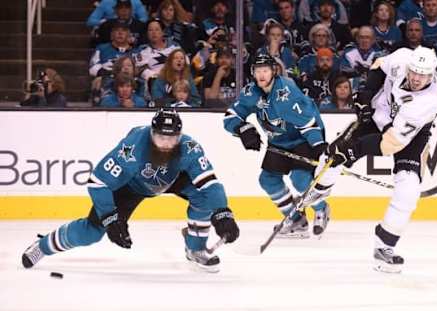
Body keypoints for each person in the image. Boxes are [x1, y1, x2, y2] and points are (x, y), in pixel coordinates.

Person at [21, 109, 240, 273]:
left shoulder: (189, 147)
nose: (165, 143)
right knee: (92, 233)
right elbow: (98, 182)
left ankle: (196, 248)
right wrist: (110, 218)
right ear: (152, 133)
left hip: (172, 177)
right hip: (131, 185)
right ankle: (42, 245)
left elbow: (211, 183)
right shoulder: (132, 148)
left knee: (203, 196)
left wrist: (223, 213)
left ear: (180, 136)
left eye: (171, 138)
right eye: (161, 137)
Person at [306, 46, 437, 273]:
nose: (417, 78)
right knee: (333, 152)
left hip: (409, 135)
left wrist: (353, 151)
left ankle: (384, 245)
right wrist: (366, 93)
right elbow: (379, 65)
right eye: (415, 71)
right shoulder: (402, 58)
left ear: (432, 74)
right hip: (378, 113)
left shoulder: (428, 101)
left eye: (424, 74)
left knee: (408, 189)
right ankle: (321, 187)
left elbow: (390, 144)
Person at [223, 54, 330, 238]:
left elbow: (307, 123)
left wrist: (319, 146)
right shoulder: (251, 92)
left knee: (300, 180)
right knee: (268, 180)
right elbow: (230, 116)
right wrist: (242, 128)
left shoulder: (286, 92)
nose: (261, 74)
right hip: (278, 142)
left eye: (265, 70)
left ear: (273, 71)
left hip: (302, 139)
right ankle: (296, 219)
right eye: (258, 71)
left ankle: (322, 208)